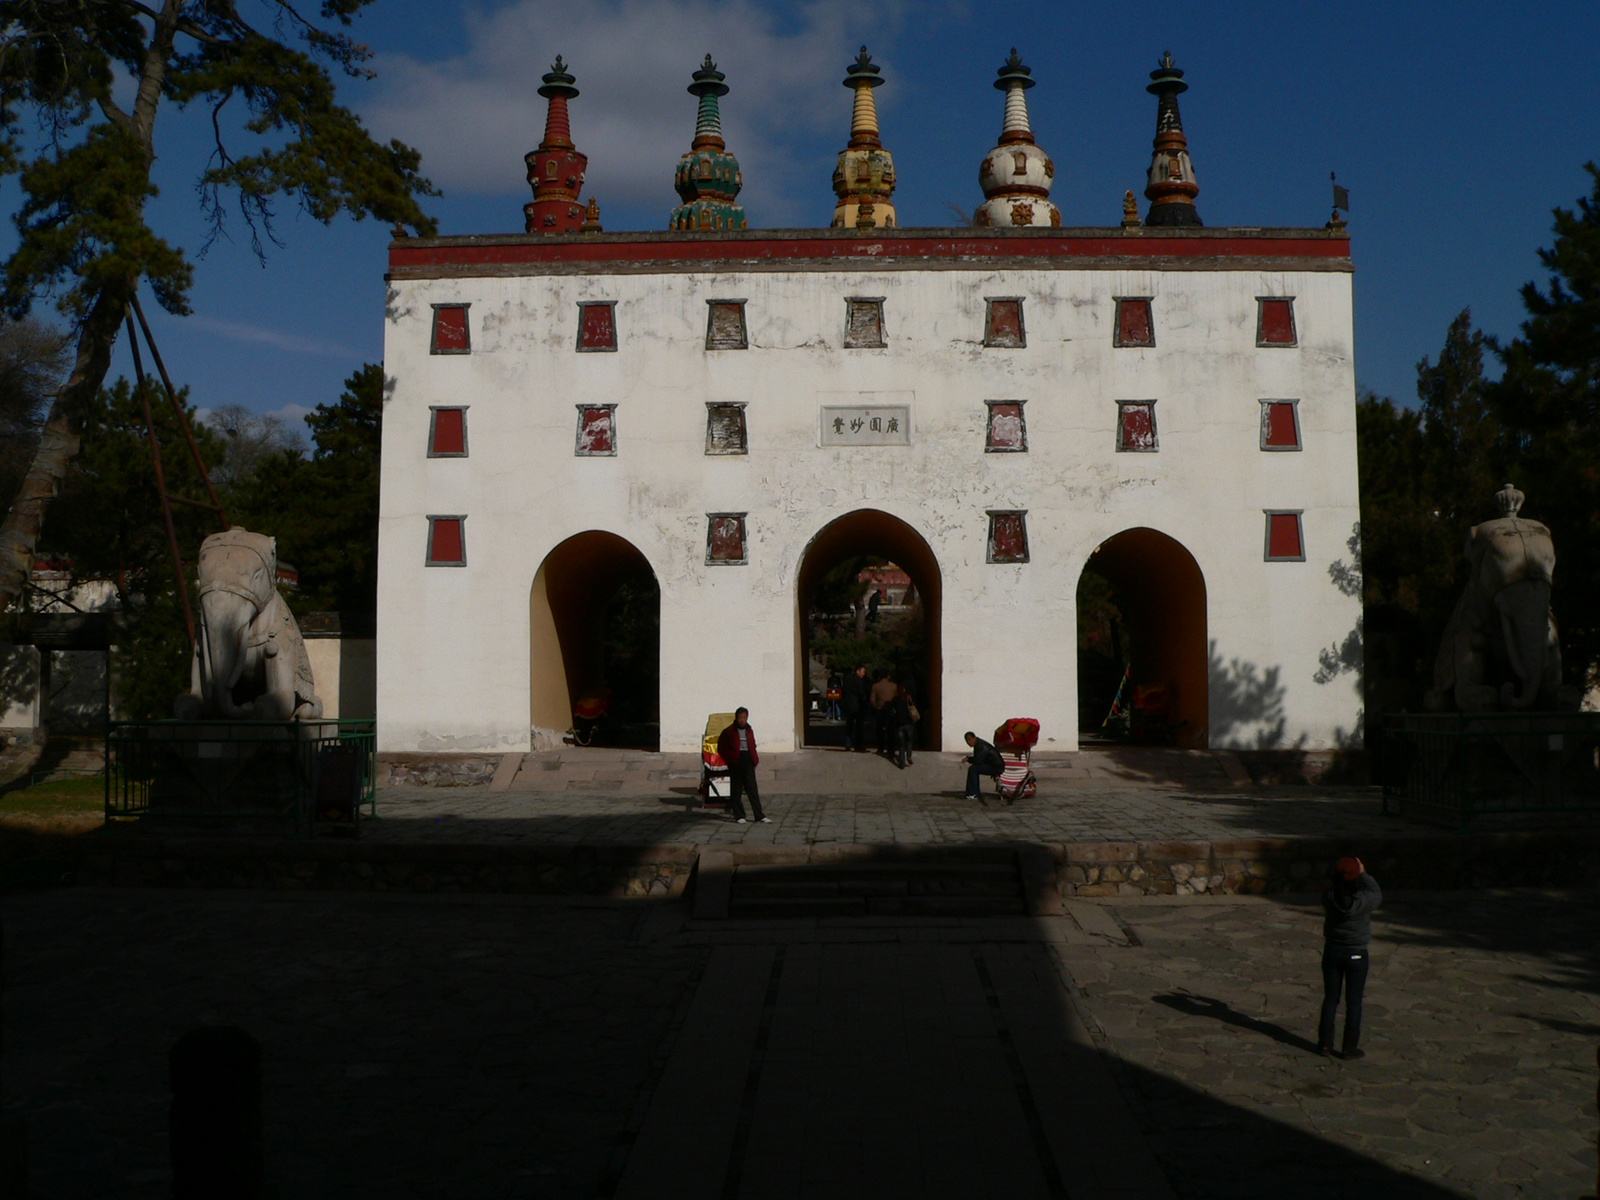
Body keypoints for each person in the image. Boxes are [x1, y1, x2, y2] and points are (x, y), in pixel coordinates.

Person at [1319, 856, 1381, 1059]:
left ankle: (1324, 1044)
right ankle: (1349, 1048)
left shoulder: (1329, 896)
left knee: (1330, 999)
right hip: (1356, 952)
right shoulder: (1364, 899)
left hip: (1333, 951)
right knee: (1354, 1002)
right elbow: (1377, 893)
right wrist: (1363, 873)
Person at [715, 708, 770, 824]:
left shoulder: (749, 730)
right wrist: (730, 759)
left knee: (752, 789)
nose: (742, 721)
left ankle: (759, 815)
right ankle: (739, 815)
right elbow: (721, 747)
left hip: (748, 759)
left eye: (744, 718)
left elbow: (752, 745)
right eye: (740, 718)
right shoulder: (729, 731)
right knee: (736, 789)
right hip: (736, 760)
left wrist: (755, 759)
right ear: (736, 718)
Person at [962, 731, 1004, 800]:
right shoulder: (979, 744)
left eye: (970, 740)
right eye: (967, 741)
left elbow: (978, 761)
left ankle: (973, 793)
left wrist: (969, 759)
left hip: (996, 767)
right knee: (974, 768)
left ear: (974, 738)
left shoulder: (981, 746)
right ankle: (973, 792)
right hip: (993, 765)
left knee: (973, 769)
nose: (969, 742)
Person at [886, 685, 918, 769]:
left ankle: (902, 763)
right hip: (909, 723)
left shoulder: (895, 699)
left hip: (899, 724)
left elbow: (890, 709)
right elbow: (913, 707)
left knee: (901, 744)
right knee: (909, 741)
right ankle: (909, 755)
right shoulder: (908, 698)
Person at [841, 665, 870, 751]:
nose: (864, 674)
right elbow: (861, 692)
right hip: (858, 706)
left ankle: (848, 743)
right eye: (863, 672)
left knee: (849, 725)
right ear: (858, 671)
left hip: (848, 704)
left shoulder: (847, 679)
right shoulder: (859, 681)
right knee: (859, 727)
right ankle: (858, 745)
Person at [870, 670, 897, 754]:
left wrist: (876, 707)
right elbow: (896, 699)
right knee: (891, 730)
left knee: (880, 730)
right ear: (888, 677)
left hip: (880, 709)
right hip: (890, 710)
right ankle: (891, 749)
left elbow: (872, 699)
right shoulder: (894, 686)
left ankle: (880, 748)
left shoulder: (875, 686)